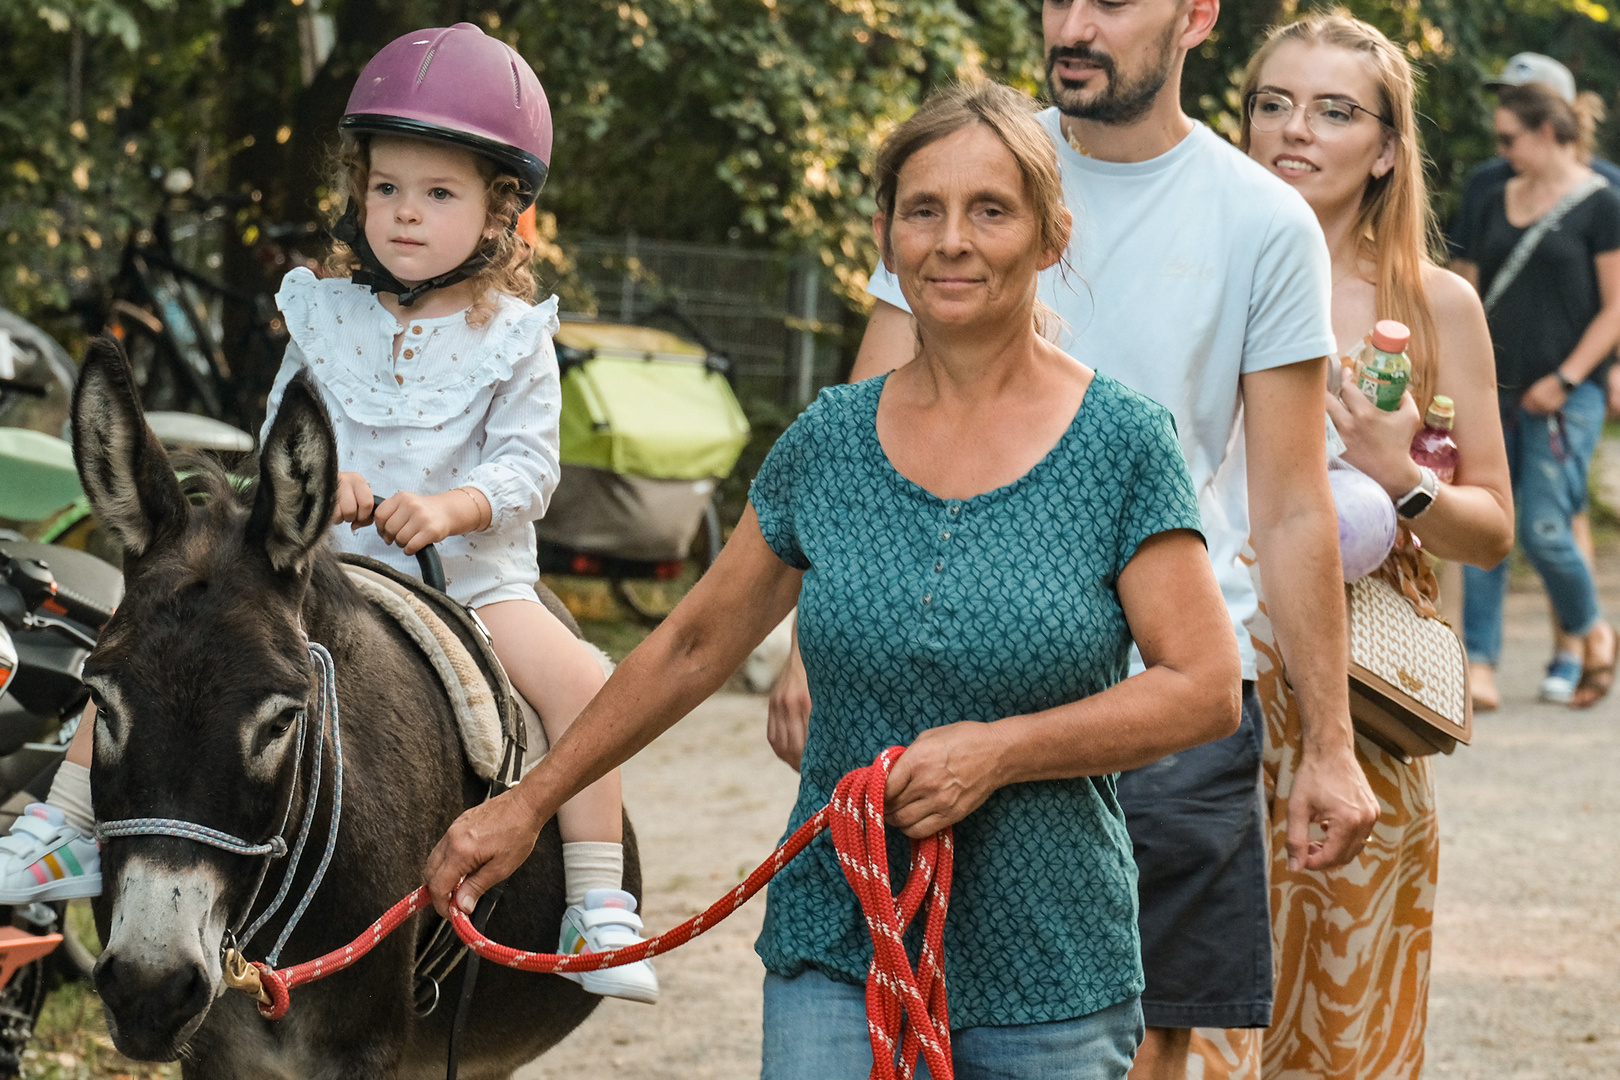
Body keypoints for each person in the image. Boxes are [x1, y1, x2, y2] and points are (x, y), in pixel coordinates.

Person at [425, 80, 1243, 1080]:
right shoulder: (831, 443)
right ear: (887, 234)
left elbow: (1202, 688)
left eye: (991, 210)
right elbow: (690, 646)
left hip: (1051, 960)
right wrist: (526, 805)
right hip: (836, 937)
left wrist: (1001, 753)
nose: (952, 240)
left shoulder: (1121, 444)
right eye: (923, 210)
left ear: (1050, 234)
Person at [771, 2, 1380, 1075]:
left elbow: (1290, 506)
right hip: (927, 679)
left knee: (1128, 1043)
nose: (1073, 23)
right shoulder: (966, 171)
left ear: (1196, 15)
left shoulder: (1262, 221)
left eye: (1109, 0)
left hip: (1164, 693)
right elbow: (866, 417)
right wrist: (807, 644)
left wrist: (1325, 743)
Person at [0, 23, 659, 1006]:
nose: (403, 213)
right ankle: (58, 828)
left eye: (439, 194)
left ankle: (598, 900)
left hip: (475, 579)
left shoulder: (515, 338)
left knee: (587, 685)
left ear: (499, 212)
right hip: (316, 564)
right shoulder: (325, 312)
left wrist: (451, 505)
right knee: (161, 642)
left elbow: (529, 470)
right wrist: (315, 485)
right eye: (386, 187)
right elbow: (281, 430)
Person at [1183, 12, 1514, 1078]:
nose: (1295, 129)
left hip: (1356, 701)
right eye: (1272, 104)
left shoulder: (1434, 304)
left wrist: (1401, 475)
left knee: (1346, 1016)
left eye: (1334, 111)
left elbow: (1494, 531)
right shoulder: (1189, 268)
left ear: (1384, 148)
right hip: (1192, 680)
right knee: (1191, 1005)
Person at [1445, 52, 1620, 707]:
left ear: (1547, 129)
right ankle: (1482, 664)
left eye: (1509, 136)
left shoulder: (1603, 198)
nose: (1501, 148)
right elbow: (1465, 284)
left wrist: (1572, 377)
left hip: (1564, 395)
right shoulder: (1493, 189)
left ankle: (1587, 631)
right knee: (1488, 524)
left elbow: (1616, 304)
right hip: (1495, 389)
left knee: (1547, 526)